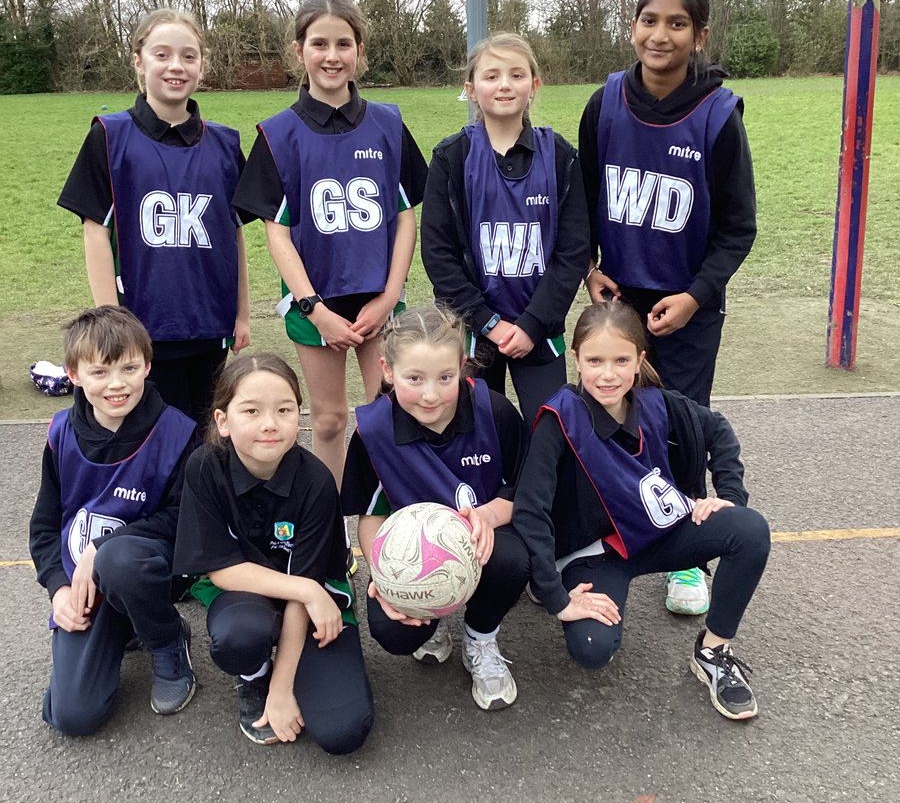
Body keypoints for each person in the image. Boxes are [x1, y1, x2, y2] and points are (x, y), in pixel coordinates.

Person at [579, 0, 756, 617]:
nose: (660, 34)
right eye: (649, 20)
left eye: (676, 24)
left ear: (699, 36)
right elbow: (585, 204)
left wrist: (697, 294)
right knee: (606, 417)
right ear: (633, 26)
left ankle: (689, 557)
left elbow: (739, 227)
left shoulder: (717, 114)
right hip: (619, 301)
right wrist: (589, 270)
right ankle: (601, 535)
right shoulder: (604, 104)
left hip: (686, 306)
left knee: (679, 424)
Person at [513, 300, 770, 720]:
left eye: (621, 360)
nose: (608, 373)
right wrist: (555, 594)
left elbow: (718, 429)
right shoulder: (558, 419)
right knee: (593, 649)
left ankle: (713, 651)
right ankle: (576, 593)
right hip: (596, 554)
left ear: (639, 361)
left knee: (749, 530)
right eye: (595, 360)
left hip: (661, 536)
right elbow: (530, 510)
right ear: (576, 360)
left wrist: (729, 494)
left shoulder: (657, 404)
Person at [235, 0, 428, 483]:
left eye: (344, 43)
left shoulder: (388, 122)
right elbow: (275, 233)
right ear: (299, 51)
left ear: (359, 51)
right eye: (319, 43)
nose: (332, 55)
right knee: (329, 420)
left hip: (378, 296)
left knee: (387, 417)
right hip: (314, 298)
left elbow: (406, 215)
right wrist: (314, 308)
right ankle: (331, 539)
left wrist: (389, 297)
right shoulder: (278, 134)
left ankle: (396, 533)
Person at [58, 8, 250, 427]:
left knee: (204, 442)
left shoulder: (224, 143)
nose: (176, 66)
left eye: (188, 56)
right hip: (142, 331)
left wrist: (241, 314)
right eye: (162, 54)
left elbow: (233, 235)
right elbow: (96, 232)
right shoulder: (109, 136)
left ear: (202, 64)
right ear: (138, 60)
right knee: (148, 443)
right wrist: (111, 322)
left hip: (208, 324)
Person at [174, 354, 373, 754]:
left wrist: (284, 690)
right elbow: (221, 570)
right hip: (246, 594)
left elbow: (309, 588)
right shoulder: (205, 467)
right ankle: (254, 672)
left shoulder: (316, 481)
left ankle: (285, 673)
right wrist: (305, 589)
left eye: (284, 410)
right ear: (223, 421)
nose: (270, 423)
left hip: (310, 602)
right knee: (238, 636)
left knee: (343, 731)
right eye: (251, 410)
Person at [340, 306, 530, 710]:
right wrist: (385, 575)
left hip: (483, 543)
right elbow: (371, 514)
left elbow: (525, 493)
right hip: (416, 555)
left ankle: (480, 638)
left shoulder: (493, 412)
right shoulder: (374, 431)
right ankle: (435, 615)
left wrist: (487, 517)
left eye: (445, 378)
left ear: (463, 367)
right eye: (414, 378)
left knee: (513, 558)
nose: (430, 394)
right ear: (387, 371)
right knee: (393, 633)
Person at [29, 306, 198, 735]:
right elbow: (44, 527)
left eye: (129, 367)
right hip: (84, 589)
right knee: (73, 716)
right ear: (73, 373)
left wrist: (101, 549)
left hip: (146, 571)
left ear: (147, 364)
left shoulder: (177, 432)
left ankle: (165, 639)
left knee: (120, 561)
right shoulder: (61, 432)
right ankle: (120, 629)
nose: (117, 383)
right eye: (100, 372)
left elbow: (183, 520)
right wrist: (58, 589)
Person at [422, 33, 589, 424]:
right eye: (491, 75)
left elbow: (573, 251)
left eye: (516, 75)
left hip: (539, 329)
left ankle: (535, 490)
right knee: (477, 431)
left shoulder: (561, 155)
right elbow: (438, 255)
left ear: (534, 86)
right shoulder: (451, 158)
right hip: (474, 329)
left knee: (550, 431)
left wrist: (531, 324)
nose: (504, 85)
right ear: (471, 89)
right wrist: (488, 323)